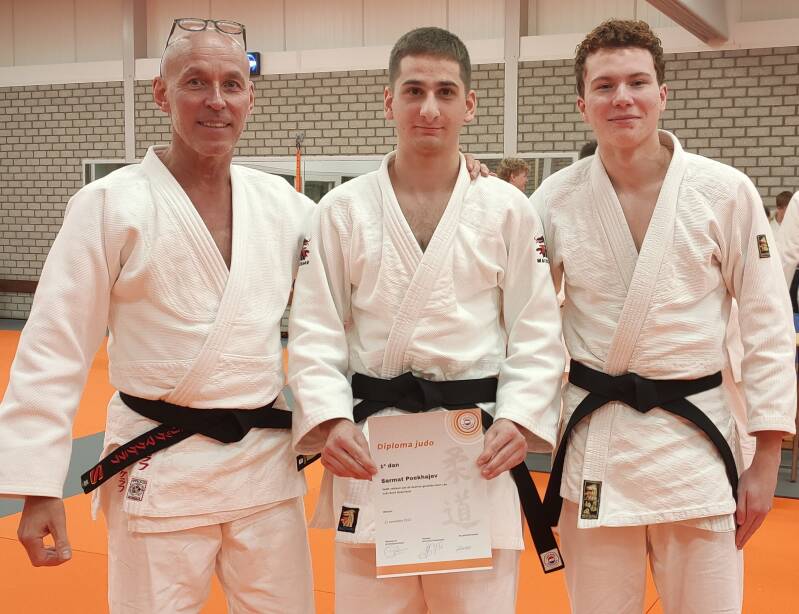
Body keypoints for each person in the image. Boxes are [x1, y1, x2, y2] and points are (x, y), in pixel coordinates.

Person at [0, 19, 317, 613]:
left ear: (250, 97)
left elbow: (363, 251)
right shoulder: (108, 205)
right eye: (195, 81)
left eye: (231, 83)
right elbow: (53, 345)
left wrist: (459, 177)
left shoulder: (284, 205)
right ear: (161, 92)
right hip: (159, 465)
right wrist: (37, 484)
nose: (216, 100)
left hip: (264, 472)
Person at [288, 26, 565, 614]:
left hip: (477, 448)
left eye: (445, 92)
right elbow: (314, 330)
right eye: (414, 91)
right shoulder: (341, 211)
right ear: (390, 101)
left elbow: (537, 329)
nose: (429, 108)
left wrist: (519, 418)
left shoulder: (507, 209)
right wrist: (330, 419)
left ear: (470, 104)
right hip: (373, 449)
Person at [530, 19, 796, 614]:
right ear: (582, 104)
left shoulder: (725, 191)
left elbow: (768, 326)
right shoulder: (553, 200)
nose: (622, 98)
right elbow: (526, 324)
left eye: (637, 82)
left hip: (697, 447)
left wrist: (766, 459)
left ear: (662, 94)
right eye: (604, 86)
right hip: (599, 445)